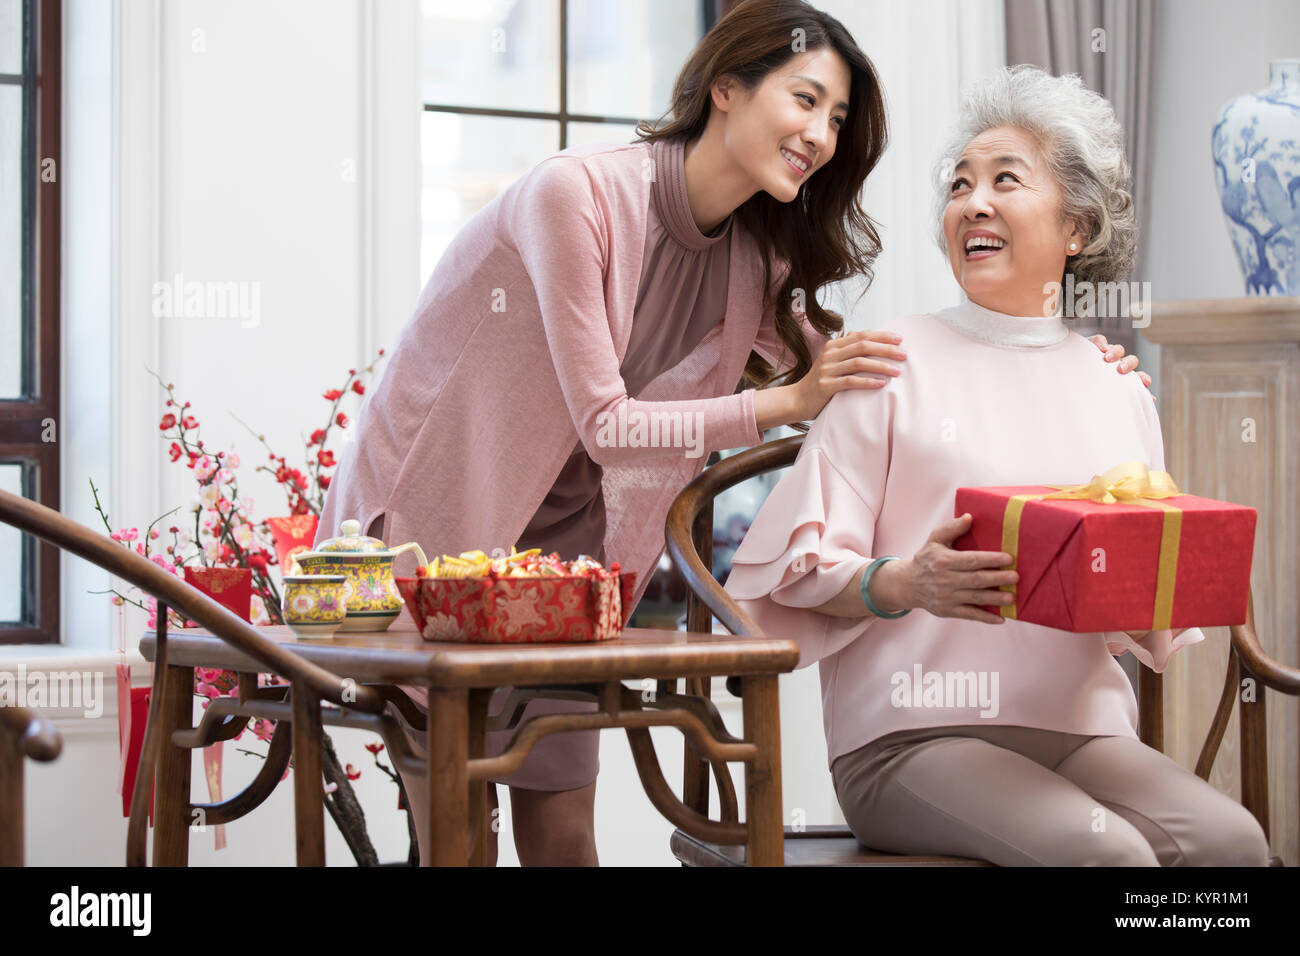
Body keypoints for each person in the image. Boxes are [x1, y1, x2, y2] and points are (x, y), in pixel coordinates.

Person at [317, 1, 1145, 866]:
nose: (822, 134)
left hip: (563, 570)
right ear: (724, 88)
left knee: (563, 834)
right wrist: (783, 405)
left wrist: (1064, 364)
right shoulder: (576, 196)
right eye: (806, 100)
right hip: (438, 525)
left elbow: (881, 379)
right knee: (460, 838)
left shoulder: (754, 261)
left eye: (836, 119)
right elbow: (607, 425)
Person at [723, 64, 1268, 866]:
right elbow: (793, 575)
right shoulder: (887, 362)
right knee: (1106, 857)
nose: (971, 203)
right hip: (908, 739)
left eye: (1004, 180)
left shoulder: (1117, 386)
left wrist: (1163, 576)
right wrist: (905, 582)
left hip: (1081, 731)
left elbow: (1135, 613)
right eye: (959, 185)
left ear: (1077, 228)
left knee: (1234, 846)